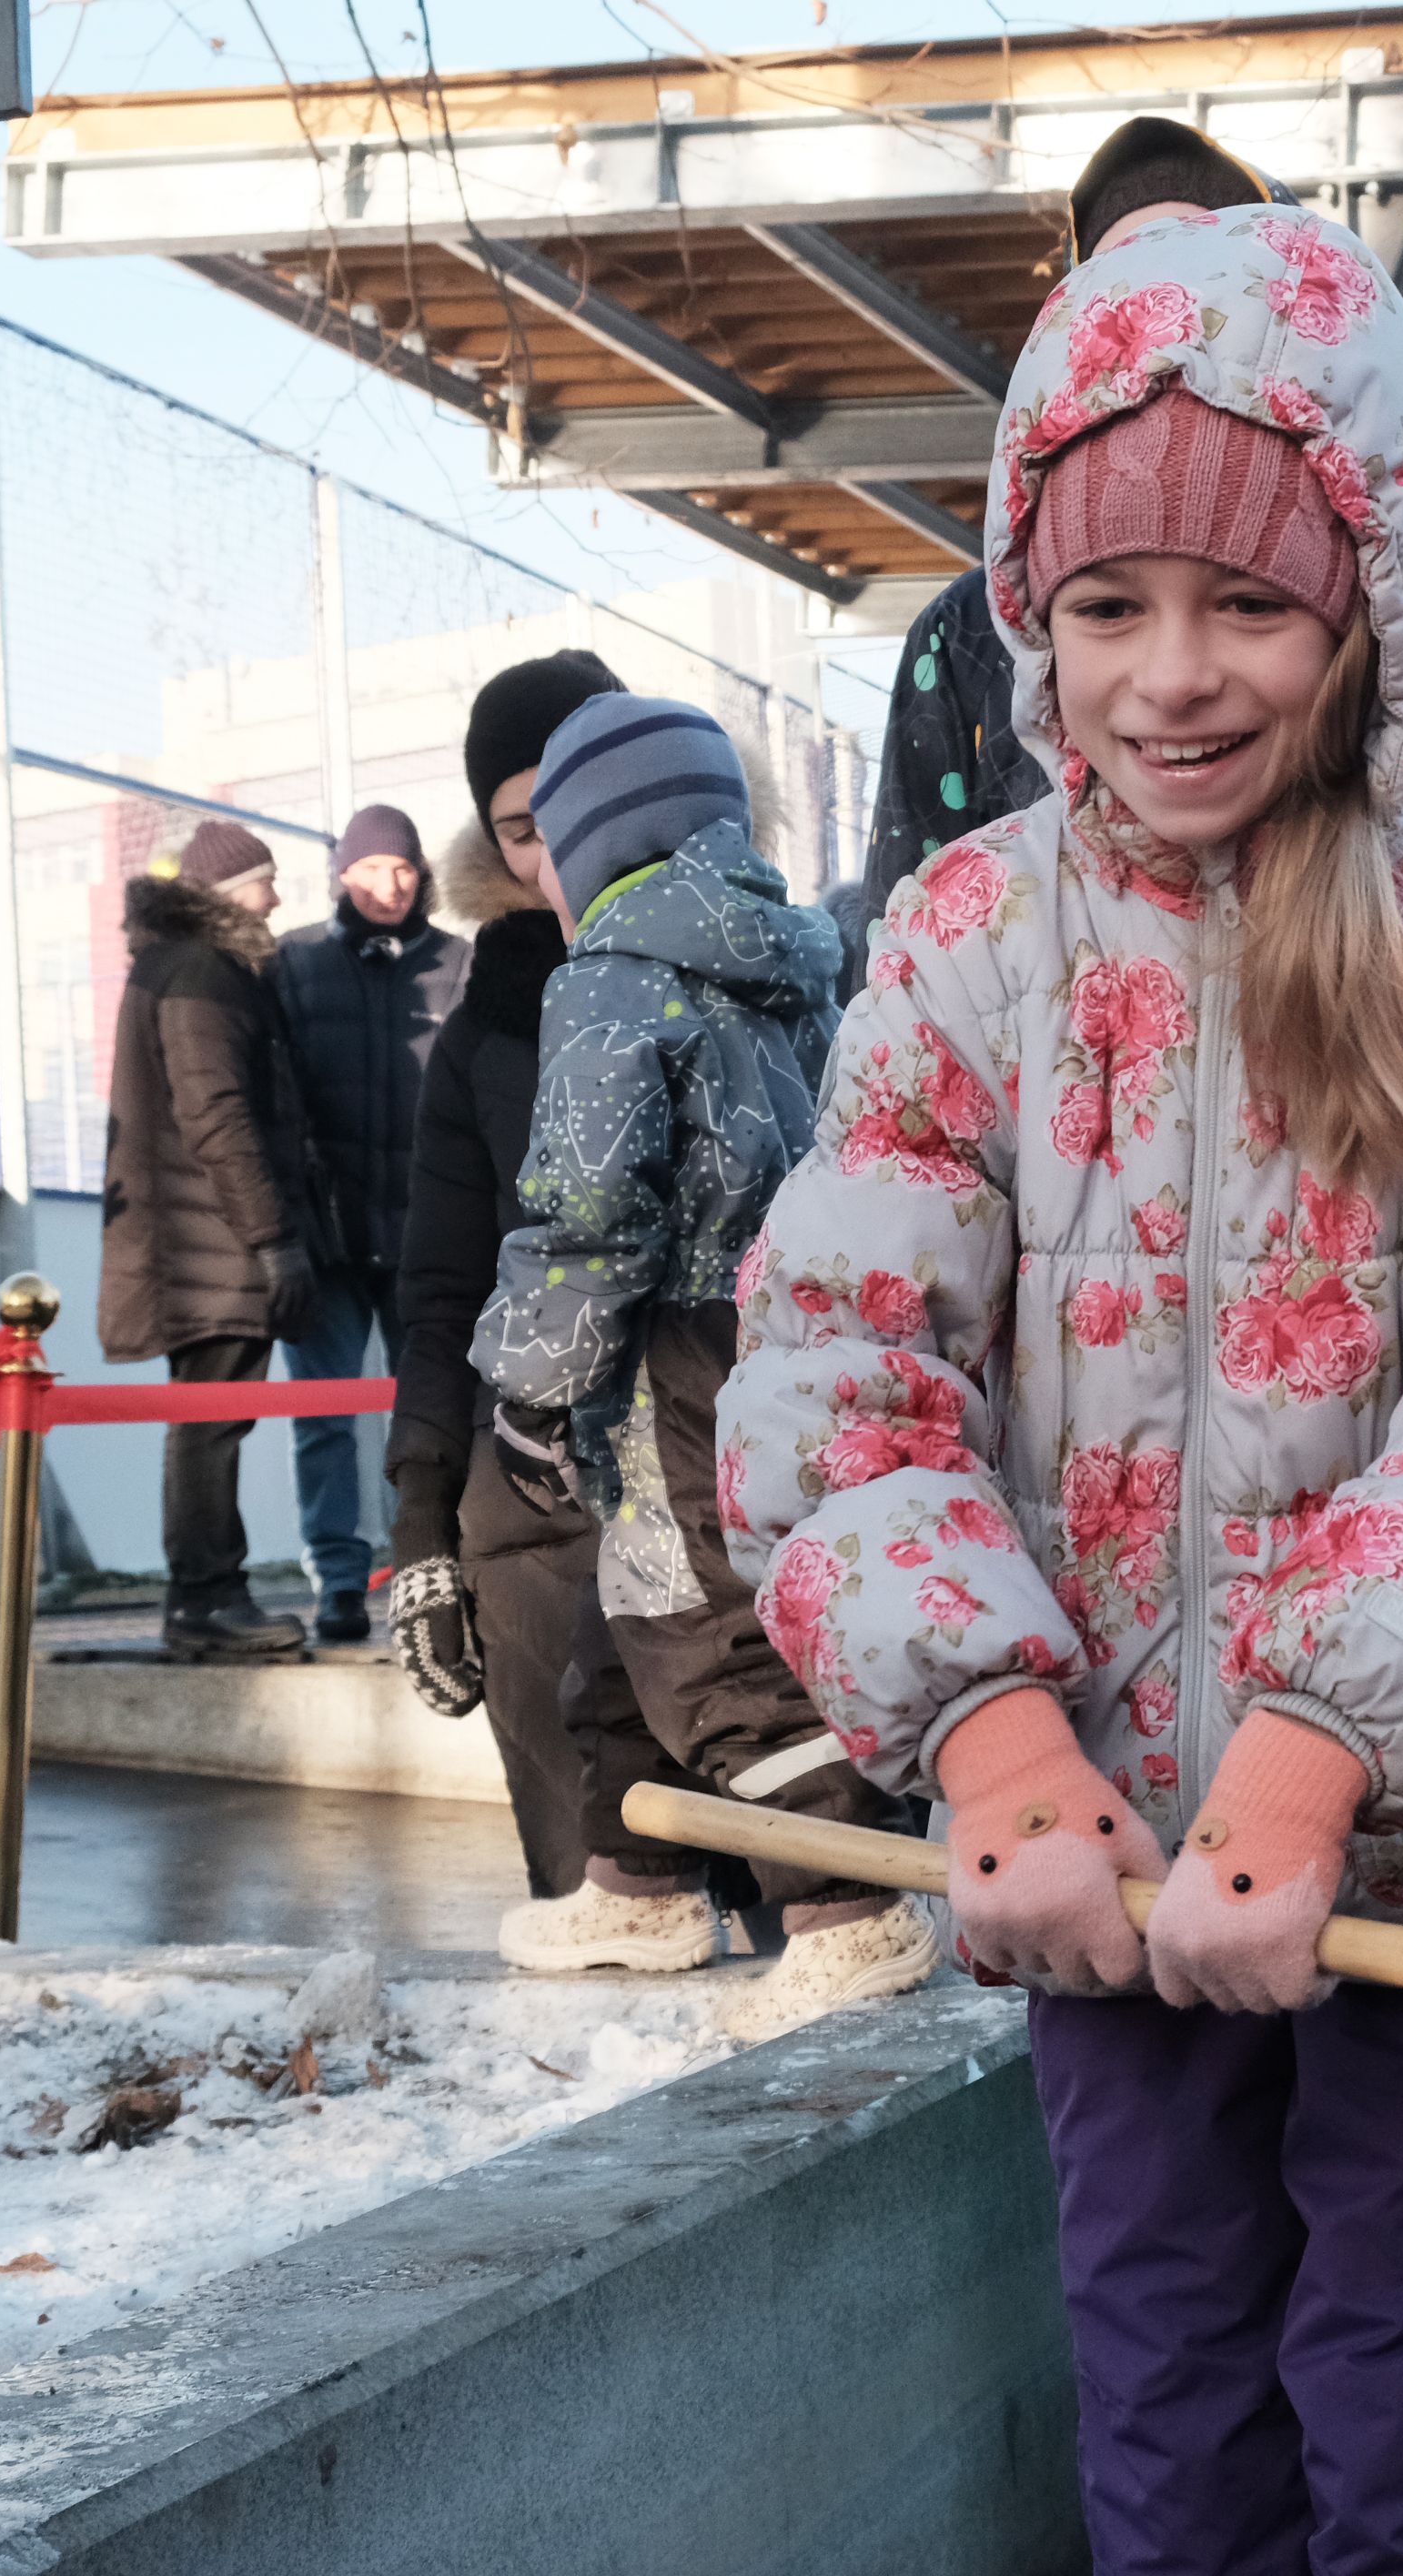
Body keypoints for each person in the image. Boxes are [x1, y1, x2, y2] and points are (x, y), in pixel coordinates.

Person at [722, 206, 1403, 2572]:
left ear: (1378, 609)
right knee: (1166, 2400)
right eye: (1108, 606)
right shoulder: (966, 938)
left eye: (1248, 603)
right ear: (1031, 616)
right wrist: (990, 1729)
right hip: (1102, 1858)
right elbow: (840, 1359)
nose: (1172, 675)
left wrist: (1325, 1745)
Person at [468, 691, 936, 2040]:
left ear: (594, 840)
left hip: (681, 1337)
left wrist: (537, 1378)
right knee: (635, 1608)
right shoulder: (800, 958)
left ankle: (847, 1903)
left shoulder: (610, 978)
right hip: (796, 1315)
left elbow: (588, 1204)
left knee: (704, 1622)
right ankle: (641, 1876)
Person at [860, 112, 1403, 911]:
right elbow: (907, 897)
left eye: (1251, 603)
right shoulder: (963, 636)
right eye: (1125, 304)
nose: (1172, 353)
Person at [386, 650, 623, 1929]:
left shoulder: (779, 972)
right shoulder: (483, 1033)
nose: (553, 863)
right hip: (533, 1498)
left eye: (579, 812)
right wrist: (421, 1523)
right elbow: (441, 1286)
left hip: (729, 1485)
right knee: (594, 1903)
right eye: (521, 829)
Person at [100, 819, 325, 1661]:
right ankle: (205, 1600)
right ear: (233, 894)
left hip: (190, 1239)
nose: (279, 897)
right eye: (269, 880)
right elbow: (218, 1114)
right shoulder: (203, 970)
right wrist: (274, 1240)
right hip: (209, 1245)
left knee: (207, 1418)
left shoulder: (176, 963)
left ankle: (204, 1595)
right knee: (211, 1420)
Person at [270, 801, 468, 1640]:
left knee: (428, 1410)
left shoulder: (457, 964)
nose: (390, 884)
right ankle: (339, 1581)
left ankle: (426, 1567)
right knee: (322, 1414)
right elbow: (276, 1104)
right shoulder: (296, 962)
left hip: (427, 1231)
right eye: (371, 869)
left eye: (404, 868)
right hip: (329, 1237)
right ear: (342, 876)